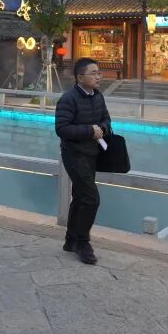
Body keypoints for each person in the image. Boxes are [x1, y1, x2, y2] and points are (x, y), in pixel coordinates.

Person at [55, 58, 111, 266]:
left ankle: (70, 240)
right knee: (91, 198)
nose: (98, 76)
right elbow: (61, 129)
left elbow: (106, 120)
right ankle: (82, 242)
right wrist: (89, 131)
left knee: (80, 197)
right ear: (80, 77)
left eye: (99, 72)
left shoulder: (98, 97)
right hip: (74, 154)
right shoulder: (68, 99)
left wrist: (102, 128)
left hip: (92, 154)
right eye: (93, 73)